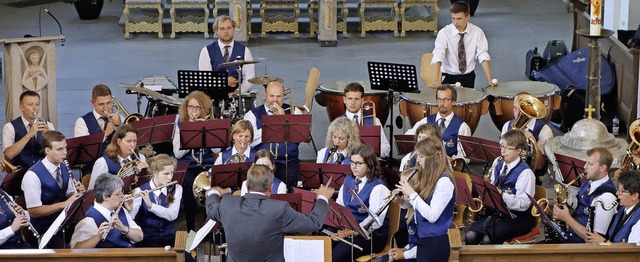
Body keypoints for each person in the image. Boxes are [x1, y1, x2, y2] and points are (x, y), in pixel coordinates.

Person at [205, 164, 334, 262]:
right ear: (271, 187)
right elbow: (313, 223)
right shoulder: (279, 208)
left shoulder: (228, 204)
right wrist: (322, 198)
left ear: (247, 185)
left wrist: (214, 192)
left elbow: (211, 208)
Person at [465, 129, 535, 244]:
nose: (503, 152)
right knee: (470, 236)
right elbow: (491, 183)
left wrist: (501, 194)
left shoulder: (526, 173)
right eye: (502, 146)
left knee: (487, 240)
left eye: (508, 148)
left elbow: (523, 204)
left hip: (516, 218)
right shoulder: (498, 161)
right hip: (497, 213)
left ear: (518, 151)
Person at [395, 136, 455, 262]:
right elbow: (421, 204)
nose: (418, 160)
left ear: (433, 157)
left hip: (435, 242)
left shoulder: (444, 182)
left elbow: (432, 215)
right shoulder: (429, 177)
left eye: (421, 156)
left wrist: (411, 193)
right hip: (423, 238)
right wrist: (402, 201)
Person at [21, 131, 85, 248]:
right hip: (44, 231)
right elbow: (34, 211)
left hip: (63, 224)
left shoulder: (63, 165)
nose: (65, 153)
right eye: (60, 149)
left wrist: (76, 195)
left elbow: (68, 193)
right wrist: (63, 204)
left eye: (65, 148)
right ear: (47, 151)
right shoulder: (32, 175)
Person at [333, 144, 390, 262]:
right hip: (349, 229)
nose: (354, 166)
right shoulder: (348, 180)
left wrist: (351, 232)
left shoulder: (378, 187)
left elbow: (374, 221)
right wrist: (341, 229)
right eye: (352, 162)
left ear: (369, 165)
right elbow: (340, 207)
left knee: (337, 256)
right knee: (322, 244)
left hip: (371, 235)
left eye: (358, 163)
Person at [553, 147, 617, 243]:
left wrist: (567, 218)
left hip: (582, 248)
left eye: (590, 164)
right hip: (571, 236)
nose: (584, 167)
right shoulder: (587, 184)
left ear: (602, 168)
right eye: (585, 162)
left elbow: (595, 239)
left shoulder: (606, 198)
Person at [244, 81, 303, 186]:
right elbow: (250, 141)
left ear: (283, 96)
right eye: (271, 96)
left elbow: (300, 137)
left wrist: (284, 119)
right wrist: (275, 123)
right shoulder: (252, 114)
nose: (275, 100)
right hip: (262, 166)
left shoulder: (295, 111)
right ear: (265, 95)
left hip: (289, 164)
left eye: (278, 96)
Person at [172, 91, 216, 231]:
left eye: (197, 107)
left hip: (207, 164)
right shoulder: (179, 122)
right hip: (188, 165)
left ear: (204, 109)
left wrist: (207, 131)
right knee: (189, 185)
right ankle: (190, 228)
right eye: (190, 107)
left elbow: (217, 150)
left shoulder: (210, 122)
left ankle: (208, 228)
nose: (194, 111)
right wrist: (192, 131)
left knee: (211, 187)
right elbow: (177, 153)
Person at [431, 1, 494, 89]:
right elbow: (438, 56)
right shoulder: (444, 33)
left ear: (468, 17)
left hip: (468, 76)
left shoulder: (477, 32)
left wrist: (489, 78)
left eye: (459, 19)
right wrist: (435, 80)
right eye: (453, 18)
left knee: (468, 102)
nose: (455, 23)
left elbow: (483, 55)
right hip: (449, 76)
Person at [71, 174, 143, 248]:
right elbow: (76, 249)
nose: (122, 196)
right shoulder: (89, 221)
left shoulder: (121, 210)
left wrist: (124, 229)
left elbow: (139, 237)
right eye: (118, 193)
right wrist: (97, 237)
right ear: (105, 197)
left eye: (122, 192)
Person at [127, 154, 182, 247]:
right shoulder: (140, 191)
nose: (170, 177)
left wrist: (151, 206)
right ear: (155, 173)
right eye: (166, 173)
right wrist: (129, 210)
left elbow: (172, 215)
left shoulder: (177, 188)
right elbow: (130, 220)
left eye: (172, 173)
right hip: (146, 242)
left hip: (169, 240)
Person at [405, 85, 470, 161]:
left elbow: (463, 157)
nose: (442, 103)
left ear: (453, 102)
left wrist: (448, 161)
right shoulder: (425, 121)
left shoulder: (462, 127)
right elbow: (407, 139)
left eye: (446, 100)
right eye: (439, 99)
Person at [501, 92, 553, 178]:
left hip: (531, 176)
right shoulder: (507, 126)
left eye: (522, 110)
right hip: (508, 174)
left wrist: (534, 143)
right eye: (515, 108)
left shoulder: (544, 130)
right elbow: (502, 155)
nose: (517, 113)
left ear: (531, 110)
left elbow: (540, 166)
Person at [198, 15, 255, 93]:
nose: (226, 31)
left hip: (238, 96)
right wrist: (223, 80)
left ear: (234, 29)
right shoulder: (206, 51)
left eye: (229, 28)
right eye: (222, 29)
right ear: (216, 31)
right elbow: (205, 78)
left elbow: (250, 78)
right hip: (215, 95)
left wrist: (238, 91)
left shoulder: (245, 50)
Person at [3, 90, 55, 168]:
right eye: (30, 104)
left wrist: (49, 137)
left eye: (37, 104)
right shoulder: (10, 127)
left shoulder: (48, 125)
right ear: (21, 107)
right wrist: (29, 134)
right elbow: (9, 154)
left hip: (43, 170)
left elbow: (57, 154)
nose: (35, 108)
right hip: (20, 172)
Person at [586, 170, 640, 244]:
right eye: (618, 189)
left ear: (634, 196)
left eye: (622, 191)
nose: (617, 193)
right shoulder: (621, 211)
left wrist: (602, 242)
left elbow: (632, 251)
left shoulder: (638, 220)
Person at [89, 125, 148, 190]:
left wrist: (146, 172)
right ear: (119, 142)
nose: (133, 145)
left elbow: (144, 185)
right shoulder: (102, 162)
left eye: (135, 141)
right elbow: (93, 191)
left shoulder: (140, 158)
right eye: (129, 141)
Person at [342, 82, 390, 158]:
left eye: (356, 99)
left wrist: (368, 155)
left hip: (368, 165)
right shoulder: (338, 123)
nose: (353, 102)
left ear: (362, 100)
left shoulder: (374, 120)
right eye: (350, 98)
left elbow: (386, 148)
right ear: (344, 99)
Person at [389, 168, 420, 261]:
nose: (401, 189)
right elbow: (413, 242)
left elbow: (426, 246)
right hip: (412, 253)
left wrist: (404, 254)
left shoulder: (421, 211)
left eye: (403, 185)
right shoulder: (411, 208)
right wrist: (404, 249)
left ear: (415, 185)